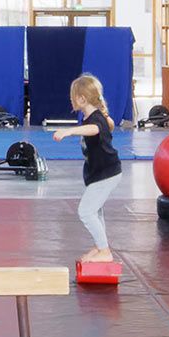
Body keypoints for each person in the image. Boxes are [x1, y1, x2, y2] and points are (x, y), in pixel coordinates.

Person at [53, 73, 121, 264]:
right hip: (100, 173)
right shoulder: (91, 117)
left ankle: (105, 251)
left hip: (107, 173)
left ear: (82, 99)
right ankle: (100, 246)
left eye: (72, 96)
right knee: (96, 212)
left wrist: (69, 131)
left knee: (86, 212)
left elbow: (95, 129)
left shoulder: (96, 119)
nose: (70, 99)